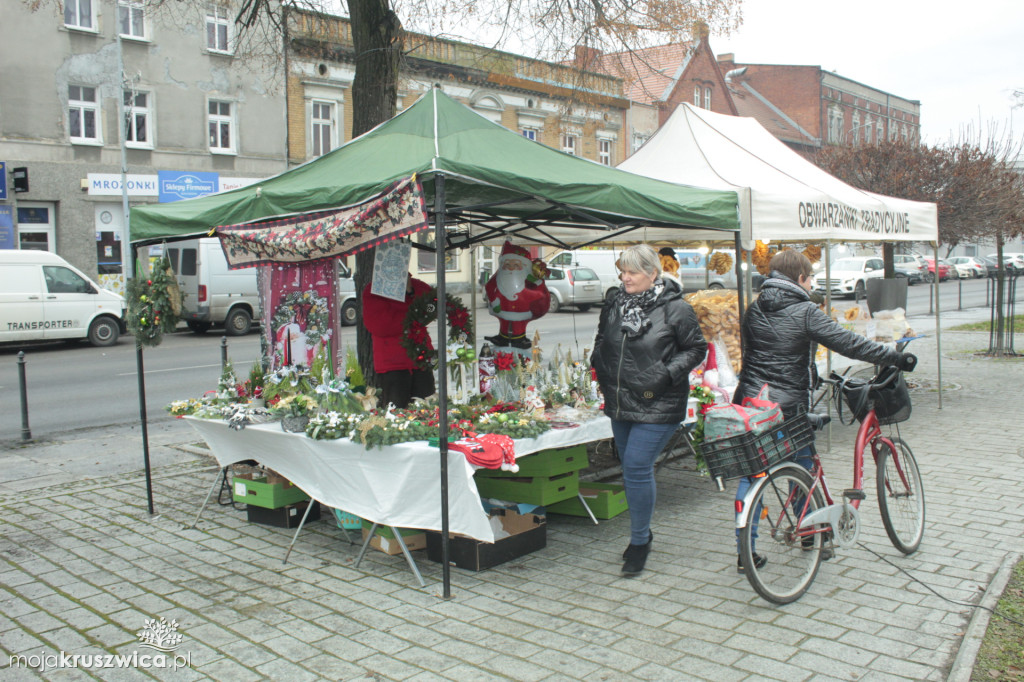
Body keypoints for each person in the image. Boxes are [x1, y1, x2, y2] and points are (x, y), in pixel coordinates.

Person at [732, 249, 917, 572]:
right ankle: (809, 534)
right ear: (801, 278)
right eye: (811, 278)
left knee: (756, 470)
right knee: (802, 463)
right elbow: (849, 344)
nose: (811, 283)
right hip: (788, 404)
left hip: (751, 400)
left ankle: (744, 551)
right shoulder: (805, 310)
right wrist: (895, 356)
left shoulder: (755, 308)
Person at [590, 244, 708, 576]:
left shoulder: (676, 309)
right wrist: (598, 361)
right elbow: (602, 338)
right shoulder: (614, 302)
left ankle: (639, 541)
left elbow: (697, 348)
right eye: (622, 271)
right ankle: (642, 531)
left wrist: (665, 374)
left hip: (659, 400)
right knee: (631, 471)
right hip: (620, 400)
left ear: (652, 273)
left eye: (631, 272)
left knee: (637, 466)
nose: (624, 277)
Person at [362, 275, 436, 410]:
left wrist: (410, 291)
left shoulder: (416, 285)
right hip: (392, 364)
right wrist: (414, 317)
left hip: (420, 359)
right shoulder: (374, 290)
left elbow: (433, 306)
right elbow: (381, 325)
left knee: (428, 407)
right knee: (396, 412)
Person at [483, 241, 550, 349]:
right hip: (501, 308)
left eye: (515, 265)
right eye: (507, 264)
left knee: (519, 325)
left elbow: (539, 292)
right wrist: (495, 301)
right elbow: (489, 286)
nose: (510, 268)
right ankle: (503, 337)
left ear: (523, 266)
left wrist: (536, 293)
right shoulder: (499, 277)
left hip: (522, 310)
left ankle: (519, 338)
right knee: (504, 323)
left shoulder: (530, 279)